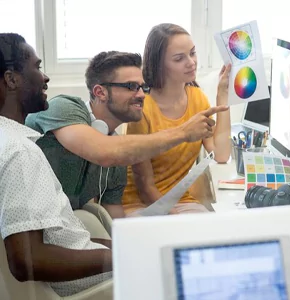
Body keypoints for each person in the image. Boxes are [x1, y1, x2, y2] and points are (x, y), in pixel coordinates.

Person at [26, 49, 229, 219]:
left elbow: (115, 219)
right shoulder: (64, 107)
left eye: (143, 87)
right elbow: (104, 152)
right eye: (131, 86)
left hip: (66, 229)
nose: (141, 94)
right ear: (100, 92)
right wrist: (183, 132)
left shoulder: (119, 152)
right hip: (25, 232)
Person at [0, 33, 112, 297]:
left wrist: (116, 246)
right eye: (37, 68)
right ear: (11, 79)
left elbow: (63, 239)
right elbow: (27, 260)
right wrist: (119, 259)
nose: (45, 78)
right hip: (90, 287)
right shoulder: (19, 152)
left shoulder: (10, 141)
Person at [122, 23, 231, 216]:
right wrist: (175, 220)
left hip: (181, 200)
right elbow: (146, 187)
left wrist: (222, 95)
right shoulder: (142, 109)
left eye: (193, 53)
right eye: (179, 58)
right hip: (141, 204)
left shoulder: (198, 98)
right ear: (159, 65)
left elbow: (221, 155)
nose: (191, 62)